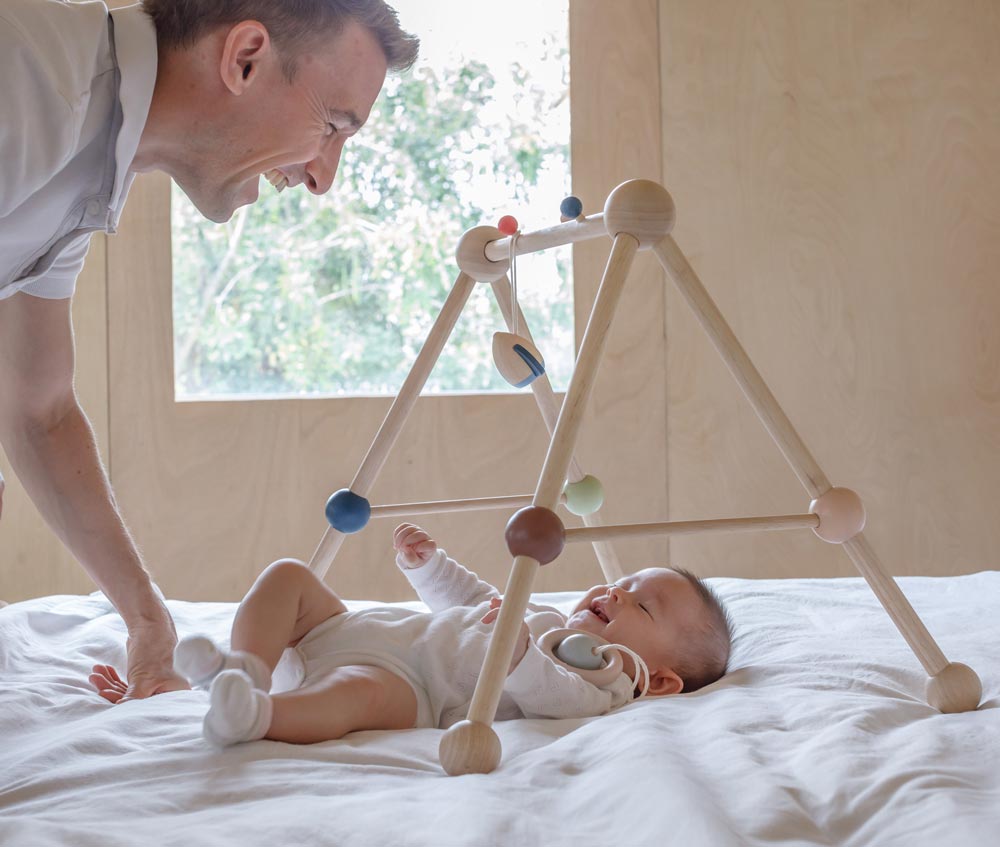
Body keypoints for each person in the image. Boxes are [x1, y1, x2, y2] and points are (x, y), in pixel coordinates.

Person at [0, 0, 419, 701]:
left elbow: (37, 408)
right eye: (332, 126)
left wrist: (147, 623)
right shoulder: (29, 80)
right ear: (245, 57)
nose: (323, 177)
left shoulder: (86, 158)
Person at [88, 523, 734, 745]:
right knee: (289, 576)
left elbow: (559, 699)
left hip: (407, 682)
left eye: (642, 606)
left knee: (353, 697)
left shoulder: (609, 679)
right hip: (354, 628)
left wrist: (515, 660)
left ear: (665, 678)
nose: (614, 593)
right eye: (622, 583)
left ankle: (256, 713)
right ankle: (245, 667)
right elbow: (476, 599)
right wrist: (430, 566)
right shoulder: (538, 612)